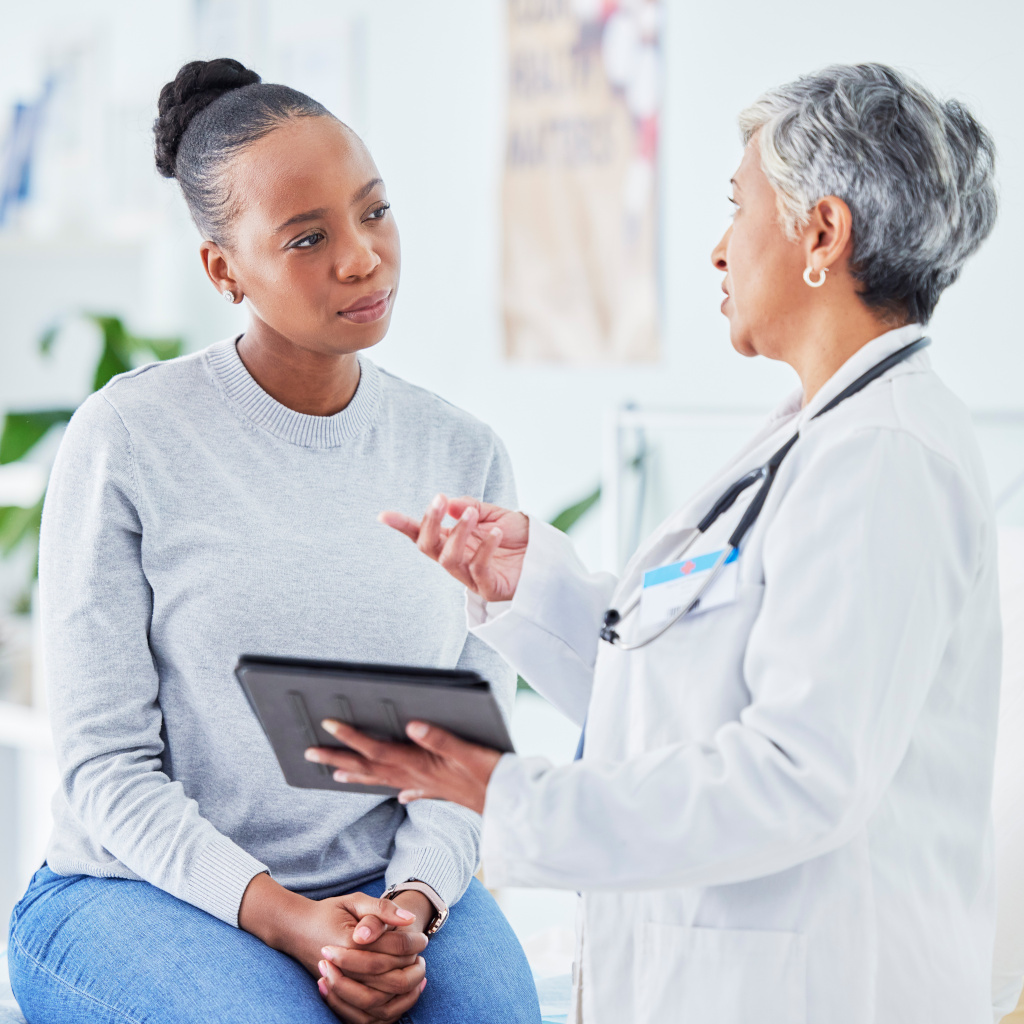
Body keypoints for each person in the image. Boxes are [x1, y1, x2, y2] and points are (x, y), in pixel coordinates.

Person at [304, 64, 1002, 1023]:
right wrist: (532, 589)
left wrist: (512, 796)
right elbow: (685, 697)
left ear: (822, 235)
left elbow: (801, 778)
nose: (719, 249)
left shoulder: (883, 456)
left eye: (737, 207)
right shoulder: (816, 438)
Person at [7, 58, 540, 1024]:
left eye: (374, 212)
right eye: (308, 237)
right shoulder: (129, 437)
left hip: (389, 886)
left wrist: (410, 905)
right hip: (137, 891)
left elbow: (465, 750)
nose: (361, 257)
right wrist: (290, 918)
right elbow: (103, 769)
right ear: (224, 269)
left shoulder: (462, 452)